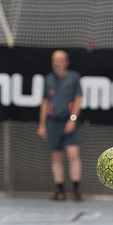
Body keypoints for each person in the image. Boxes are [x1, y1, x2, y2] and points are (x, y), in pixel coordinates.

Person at [37, 50, 84, 201]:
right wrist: (42, 125)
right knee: (56, 156)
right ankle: (60, 190)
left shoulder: (74, 77)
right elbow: (45, 103)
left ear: (66, 62)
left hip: (69, 121)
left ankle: (76, 190)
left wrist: (73, 119)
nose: (57, 63)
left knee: (73, 154)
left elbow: (78, 100)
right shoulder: (48, 79)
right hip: (53, 122)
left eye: (60, 60)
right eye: (55, 60)